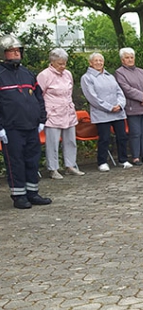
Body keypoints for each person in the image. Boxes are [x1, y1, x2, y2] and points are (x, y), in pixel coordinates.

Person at [0, 34, 51, 209]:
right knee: (16, 162)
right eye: (11, 51)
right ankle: (19, 195)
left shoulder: (28, 74)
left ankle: (32, 192)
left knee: (32, 160)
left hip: (31, 126)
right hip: (11, 128)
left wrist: (41, 119)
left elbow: (39, 98)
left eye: (17, 50)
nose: (15, 54)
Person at [38, 48, 84, 178]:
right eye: (60, 64)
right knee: (52, 142)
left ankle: (70, 165)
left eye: (64, 63)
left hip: (68, 111)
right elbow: (39, 95)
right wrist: (44, 113)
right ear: (52, 62)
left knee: (70, 140)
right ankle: (53, 169)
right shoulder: (44, 75)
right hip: (52, 113)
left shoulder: (68, 74)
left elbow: (69, 92)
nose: (63, 66)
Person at [81, 53, 130, 172]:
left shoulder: (110, 76)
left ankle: (123, 159)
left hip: (117, 112)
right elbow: (92, 97)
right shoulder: (87, 78)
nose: (98, 63)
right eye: (96, 61)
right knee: (104, 138)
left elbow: (119, 91)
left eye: (100, 60)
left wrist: (120, 104)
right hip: (102, 113)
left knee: (122, 136)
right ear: (90, 63)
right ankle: (102, 161)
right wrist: (109, 107)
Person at [115, 47, 143, 165]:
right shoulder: (119, 72)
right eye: (127, 58)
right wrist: (142, 96)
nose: (130, 60)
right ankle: (135, 156)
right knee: (135, 133)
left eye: (132, 57)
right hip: (133, 107)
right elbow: (126, 89)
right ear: (122, 60)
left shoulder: (141, 71)